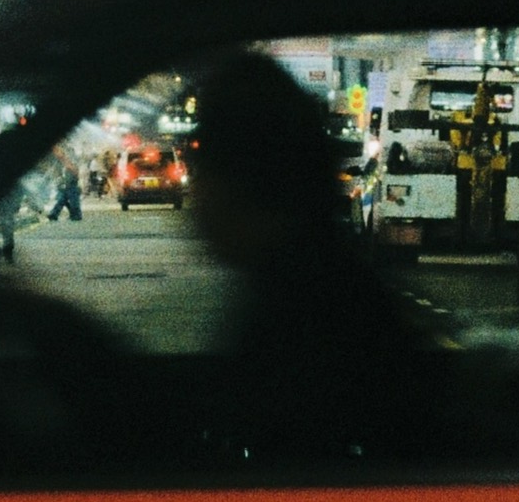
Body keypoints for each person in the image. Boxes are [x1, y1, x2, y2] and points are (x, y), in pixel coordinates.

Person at [185, 52, 447, 463]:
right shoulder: (319, 285)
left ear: (244, 182)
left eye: (202, 165)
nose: (195, 194)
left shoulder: (307, 317)